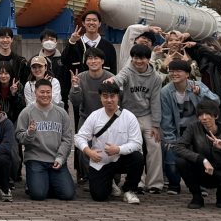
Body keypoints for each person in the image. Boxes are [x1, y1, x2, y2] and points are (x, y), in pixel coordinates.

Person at [74, 82, 144, 203]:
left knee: (137, 158)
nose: (109, 100)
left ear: (118, 97)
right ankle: (109, 182)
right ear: (100, 98)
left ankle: (129, 190)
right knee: (99, 196)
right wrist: (89, 152)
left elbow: (137, 142)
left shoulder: (129, 117)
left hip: (121, 159)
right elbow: (79, 137)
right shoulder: (95, 116)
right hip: (100, 161)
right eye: (105, 96)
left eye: (112, 96)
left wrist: (118, 149)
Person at [109, 44, 164, 193]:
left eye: (142, 58)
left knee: (154, 145)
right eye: (135, 58)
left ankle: (155, 183)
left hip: (147, 115)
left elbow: (155, 101)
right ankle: (138, 182)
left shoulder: (155, 78)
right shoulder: (127, 71)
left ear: (148, 59)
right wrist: (112, 81)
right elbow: (119, 79)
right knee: (136, 147)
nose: (138, 61)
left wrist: (155, 124)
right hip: (129, 115)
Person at [159, 59, 219, 195]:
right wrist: (170, 139)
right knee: (171, 157)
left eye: (178, 71)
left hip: (197, 129)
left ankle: (201, 184)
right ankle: (174, 184)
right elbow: (166, 119)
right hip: (177, 130)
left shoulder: (197, 86)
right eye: (171, 71)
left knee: (200, 154)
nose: (174, 74)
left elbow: (215, 101)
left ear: (187, 74)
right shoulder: (165, 92)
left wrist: (200, 93)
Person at [171, 99, 221, 209]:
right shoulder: (193, 128)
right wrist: (202, 160)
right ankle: (197, 196)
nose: (204, 118)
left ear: (216, 116)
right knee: (181, 162)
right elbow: (178, 147)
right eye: (201, 115)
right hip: (201, 169)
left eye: (208, 114)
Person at [15, 81, 75, 201]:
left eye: (48, 92)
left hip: (56, 160)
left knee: (68, 194)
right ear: (35, 93)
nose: (45, 95)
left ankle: (44, 181)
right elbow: (19, 137)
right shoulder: (26, 113)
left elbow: (67, 139)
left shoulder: (61, 113)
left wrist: (60, 158)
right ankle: (36, 183)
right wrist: (29, 133)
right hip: (35, 160)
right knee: (38, 195)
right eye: (42, 92)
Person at [69, 47, 115, 183]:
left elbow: (119, 100)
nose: (93, 61)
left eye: (96, 58)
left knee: (110, 147)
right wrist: (75, 87)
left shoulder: (111, 77)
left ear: (102, 61)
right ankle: (90, 177)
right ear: (86, 62)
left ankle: (112, 178)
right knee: (83, 147)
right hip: (86, 118)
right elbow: (75, 102)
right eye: (90, 58)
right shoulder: (80, 77)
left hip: (108, 119)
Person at [63, 10, 117, 78]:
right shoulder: (75, 43)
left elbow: (113, 70)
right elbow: (64, 60)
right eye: (88, 20)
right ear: (83, 23)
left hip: (102, 84)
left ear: (99, 24)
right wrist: (71, 42)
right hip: (77, 83)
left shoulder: (108, 46)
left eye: (94, 20)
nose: (91, 23)